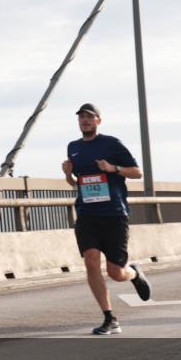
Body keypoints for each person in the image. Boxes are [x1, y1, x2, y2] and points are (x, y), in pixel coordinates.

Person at [62, 103, 152, 335]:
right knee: (91, 261)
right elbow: (76, 184)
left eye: (90, 117)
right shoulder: (73, 147)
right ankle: (109, 317)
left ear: (98, 121)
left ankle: (133, 272)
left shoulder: (111, 143)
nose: (85, 121)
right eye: (82, 117)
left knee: (116, 273)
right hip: (86, 214)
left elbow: (137, 172)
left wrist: (113, 168)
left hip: (113, 214)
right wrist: (67, 175)